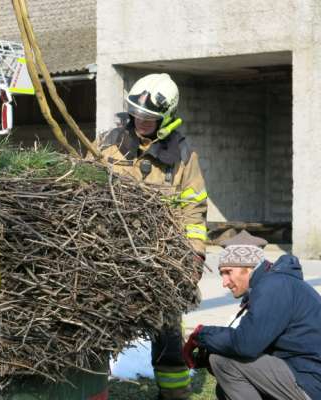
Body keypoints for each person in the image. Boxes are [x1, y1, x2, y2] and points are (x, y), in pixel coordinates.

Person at [94, 73, 208, 399]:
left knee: (168, 333)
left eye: (149, 117)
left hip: (162, 258)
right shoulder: (107, 144)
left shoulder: (183, 155)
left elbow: (193, 211)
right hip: (111, 254)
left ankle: (173, 394)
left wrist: (194, 255)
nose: (141, 120)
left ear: (166, 116)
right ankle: (95, 390)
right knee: (99, 326)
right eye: (137, 114)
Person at [183, 245, 321, 400]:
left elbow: (245, 344)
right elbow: (256, 343)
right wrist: (206, 353)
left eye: (228, 272)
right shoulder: (276, 283)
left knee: (222, 361)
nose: (224, 282)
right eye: (222, 274)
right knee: (225, 387)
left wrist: (201, 334)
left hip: (318, 386)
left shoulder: (274, 286)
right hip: (313, 380)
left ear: (248, 269)